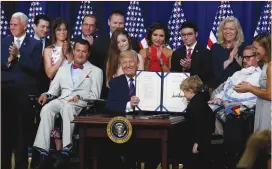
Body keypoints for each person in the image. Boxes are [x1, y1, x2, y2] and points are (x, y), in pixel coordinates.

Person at [33, 39, 103, 168]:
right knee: (47, 108)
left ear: (88, 54)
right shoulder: (63, 69)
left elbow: (95, 96)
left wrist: (80, 96)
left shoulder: (96, 71)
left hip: (80, 102)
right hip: (63, 99)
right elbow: (53, 90)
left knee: (68, 108)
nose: (80, 54)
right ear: (73, 51)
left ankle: (66, 148)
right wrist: (46, 95)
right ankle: (43, 151)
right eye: (78, 51)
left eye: (84, 51)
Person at [1, 12, 42, 169]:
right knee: (5, 134)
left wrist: (19, 56)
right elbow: (2, 65)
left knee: (21, 135)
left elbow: (35, 68)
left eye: (15, 24)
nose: (12, 27)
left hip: (24, 96)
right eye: (10, 24)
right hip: (5, 93)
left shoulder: (35, 44)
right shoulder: (3, 42)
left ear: (25, 26)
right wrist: (9, 61)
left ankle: (21, 165)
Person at [210, 45, 262, 132]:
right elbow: (225, 88)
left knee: (234, 115)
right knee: (206, 109)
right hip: (226, 103)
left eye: (248, 57)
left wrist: (239, 103)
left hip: (245, 107)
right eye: (244, 57)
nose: (244, 60)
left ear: (257, 58)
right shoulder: (237, 74)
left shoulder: (261, 76)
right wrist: (218, 97)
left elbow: (258, 97)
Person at [91, 10, 140, 99]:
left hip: (132, 92)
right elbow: (95, 68)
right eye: (115, 23)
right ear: (109, 22)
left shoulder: (134, 43)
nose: (117, 26)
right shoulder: (98, 43)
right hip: (106, 92)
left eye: (121, 23)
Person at [234, 32, 271, 131]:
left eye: (256, 48)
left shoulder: (271, 66)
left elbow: (270, 95)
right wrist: (248, 87)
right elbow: (266, 89)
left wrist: (250, 88)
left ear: (266, 48)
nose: (254, 51)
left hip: (268, 111)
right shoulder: (266, 65)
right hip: (263, 107)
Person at [180, 75, 215, 169]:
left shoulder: (194, 105)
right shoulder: (202, 101)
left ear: (190, 90)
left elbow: (197, 125)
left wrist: (196, 143)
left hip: (199, 141)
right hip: (205, 139)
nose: (184, 94)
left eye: (184, 91)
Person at [171, 21, 213, 87]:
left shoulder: (205, 52)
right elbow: (173, 75)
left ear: (196, 34)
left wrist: (190, 67)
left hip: (198, 90)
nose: (186, 37)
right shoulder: (176, 53)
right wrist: (183, 69)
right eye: (183, 35)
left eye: (190, 34)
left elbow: (207, 76)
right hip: (180, 89)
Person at [211, 16, 246, 88]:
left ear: (237, 31)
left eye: (231, 29)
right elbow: (213, 72)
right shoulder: (215, 48)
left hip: (239, 87)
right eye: (225, 29)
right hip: (219, 86)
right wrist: (229, 60)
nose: (228, 32)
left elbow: (249, 71)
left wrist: (237, 59)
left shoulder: (244, 48)